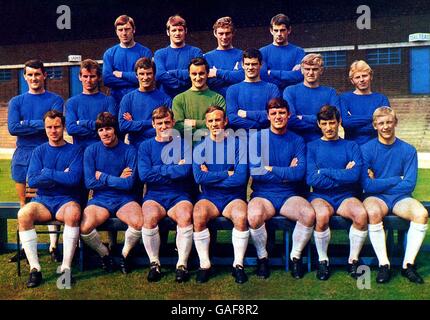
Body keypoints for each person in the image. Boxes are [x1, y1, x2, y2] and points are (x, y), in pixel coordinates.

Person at [247, 97, 315, 279]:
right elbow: (257, 173)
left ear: (288, 115)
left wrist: (271, 168)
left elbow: (299, 173)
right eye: (274, 113)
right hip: (263, 194)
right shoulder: (257, 138)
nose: (278, 116)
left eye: (282, 113)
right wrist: (287, 171)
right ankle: (263, 258)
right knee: (253, 216)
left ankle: (295, 257)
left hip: (289, 195)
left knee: (308, 214)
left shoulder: (297, 140)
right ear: (268, 116)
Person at [361, 107, 428, 284]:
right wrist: (396, 179)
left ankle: (408, 265)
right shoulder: (366, 150)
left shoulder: (408, 150)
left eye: (389, 122)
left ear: (395, 123)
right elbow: (367, 185)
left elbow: (410, 183)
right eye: (381, 123)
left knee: (421, 214)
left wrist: (379, 183)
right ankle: (384, 265)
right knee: (373, 212)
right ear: (375, 125)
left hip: (401, 198)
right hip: (376, 198)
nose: (386, 127)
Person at [17, 110, 83, 288]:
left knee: (74, 214)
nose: (53, 131)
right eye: (49, 127)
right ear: (45, 128)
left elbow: (74, 179)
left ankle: (66, 268)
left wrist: (47, 173)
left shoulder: (75, 150)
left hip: (66, 200)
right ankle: (35, 269)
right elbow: (33, 180)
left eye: (57, 127)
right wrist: (61, 175)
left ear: (63, 128)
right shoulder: (39, 151)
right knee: (24, 215)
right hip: (43, 200)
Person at [8, 59, 64, 262]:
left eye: (37, 74)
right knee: (24, 204)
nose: (34, 78)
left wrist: (27, 123)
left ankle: (52, 246)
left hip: (47, 154)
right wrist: (40, 122)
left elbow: (53, 125)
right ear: (25, 77)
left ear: (44, 75)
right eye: (30, 75)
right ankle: (25, 247)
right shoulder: (16, 101)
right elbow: (13, 128)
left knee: (49, 198)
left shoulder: (55, 99)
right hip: (23, 155)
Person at [306, 105, 368, 281]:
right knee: (322, 215)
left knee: (361, 215)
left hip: (345, 196)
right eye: (324, 123)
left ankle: (353, 260)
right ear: (318, 124)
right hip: (320, 196)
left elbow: (354, 176)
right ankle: (323, 260)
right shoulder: (312, 147)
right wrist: (343, 173)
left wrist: (324, 171)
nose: (328, 127)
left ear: (339, 122)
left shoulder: (351, 145)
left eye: (332, 122)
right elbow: (311, 179)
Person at [80, 112, 143, 274]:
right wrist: (118, 179)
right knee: (85, 227)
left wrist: (103, 177)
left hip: (125, 199)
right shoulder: (91, 151)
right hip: (100, 200)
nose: (105, 133)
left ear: (115, 130)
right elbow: (89, 182)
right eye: (101, 130)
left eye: (108, 129)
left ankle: (125, 254)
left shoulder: (130, 150)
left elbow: (129, 184)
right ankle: (105, 254)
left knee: (138, 223)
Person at [193, 106, 249, 284]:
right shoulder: (199, 147)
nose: (214, 124)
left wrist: (211, 176)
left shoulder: (239, 145)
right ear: (206, 124)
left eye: (218, 120)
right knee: (198, 214)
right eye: (210, 121)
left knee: (241, 216)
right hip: (209, 197)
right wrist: (226, 173)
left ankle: (237, 265)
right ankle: (205, 264)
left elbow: (240, 178)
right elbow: (199, 177)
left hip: (233, 197)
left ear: (225, 121)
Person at [138, 107, 194, 283]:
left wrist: (159, 170)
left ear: (173, 123)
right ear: (153, 124)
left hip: (179, 194)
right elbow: (145, 175)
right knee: (148, 217)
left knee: (185, 216)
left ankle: (182, 264)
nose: (163, 126)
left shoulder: (184, 144)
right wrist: (172, 168)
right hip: (155, 195)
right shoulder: (146, 146)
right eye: (160, 123)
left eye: (167, 122)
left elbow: (184, 171)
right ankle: (154, 263)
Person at [283, 53, 339, 143]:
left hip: (323, 144)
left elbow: (334, 119)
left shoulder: (330, 92)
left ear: (321, 70)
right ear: (301, 70)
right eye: (307, 69)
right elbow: (290, 120)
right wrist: (321, 122)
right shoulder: (290, 91)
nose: (311, 73)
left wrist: (302, 117)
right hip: (296, 143)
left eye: (315, 69)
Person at [119, 57, 172, 150]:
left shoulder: (165, 99)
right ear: (136, 75)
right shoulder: (127, 99)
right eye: (141, 74)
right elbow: (123, 126)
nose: (145, 77)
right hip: (135, 147)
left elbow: (167, 128)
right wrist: (152, 123)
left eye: (149, 73)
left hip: (159, 147)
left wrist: (134, 124)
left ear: (154, 75)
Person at [66, 59, 118, 149]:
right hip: (80, 153)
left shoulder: (109, 101)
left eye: (92, 76)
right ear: (80, 77)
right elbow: (71, 129)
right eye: (85, 76)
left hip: (104, 151)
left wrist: (83, 123)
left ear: (99, 77)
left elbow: (113, 127)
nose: (88, 80)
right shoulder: (72, 102)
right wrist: (99, 130)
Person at [103, 15, 153, 104]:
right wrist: (135, 80)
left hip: (140, 99)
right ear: (116, 32)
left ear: (133, 30)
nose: (124, 33)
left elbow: (147, 78)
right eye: (120, 30)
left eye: (127, 29)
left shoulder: (145, 52)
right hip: (117, 101)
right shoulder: (109, 53)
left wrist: (122, 74)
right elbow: (107, 79)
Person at [226, 48, 280, 131]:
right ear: (242, 65)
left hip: (266, 137)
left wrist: (247, 114)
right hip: (241, 138)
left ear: (261, 64)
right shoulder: (232, 90)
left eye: (254, 64)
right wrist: (257, 125)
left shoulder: (272, 88)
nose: (250, 67)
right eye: (247, 64)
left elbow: (275, 114)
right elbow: (232, 119)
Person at [340, 60, 390, 145]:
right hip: (352, 148)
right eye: (357, 77)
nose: (362, 80)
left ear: (371, 76)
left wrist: (355, 120)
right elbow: (346, 123)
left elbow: (384, 124)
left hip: (376, 147)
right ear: (352, 81)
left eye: (364, 76)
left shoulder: (381, 98)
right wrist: (373, 118)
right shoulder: (344, 98)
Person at [172, 57, 225, 135]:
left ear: (208, 73)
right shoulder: (179, 99)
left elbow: (220, 125)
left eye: (201, 73)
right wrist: (204, 129)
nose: (198, 78)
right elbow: (178, 127)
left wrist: (194, 123)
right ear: (189, 74)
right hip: (188, 145)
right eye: (194, 74)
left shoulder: (218, 99)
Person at [154, 15, 203, 99]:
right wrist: (182, 84)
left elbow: (198, 72)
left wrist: (171, 73)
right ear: (168, 32)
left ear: (185, 31)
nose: (177, 33)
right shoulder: (160, 53)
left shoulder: (195, 52)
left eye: (180, 30)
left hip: (190, 98)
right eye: (174, 30)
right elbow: (159, 75)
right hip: (166, 99)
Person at [260, 13, 305, 92]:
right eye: (276, 30)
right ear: (271, 31)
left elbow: (299, 76)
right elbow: (263, 76)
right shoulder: (262, 52)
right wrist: (289, 75)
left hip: (293, 94)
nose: (279, 34)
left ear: (289, 30)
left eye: (282, 30)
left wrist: (272, 72)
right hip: (271, 96)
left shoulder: (299, 52)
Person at [205, 16, 244, 97]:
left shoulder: (242, 55)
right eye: (221, 33)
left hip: (237, 98)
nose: (224, 37)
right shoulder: (207, 57)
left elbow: (242, 77)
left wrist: (217, 73)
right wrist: (232, 76)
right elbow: (209, 82)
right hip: (215, 101)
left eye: (227, 33)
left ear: (233, 33)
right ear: (215, 33)